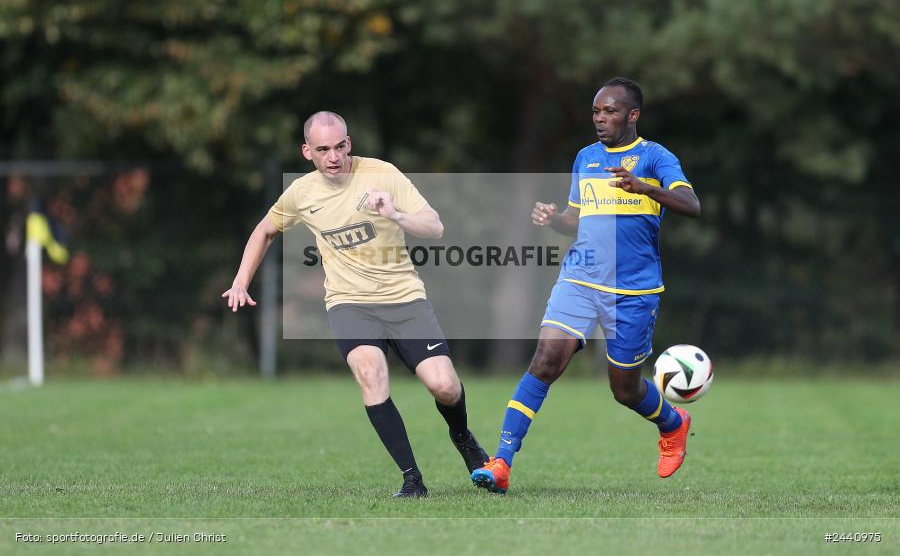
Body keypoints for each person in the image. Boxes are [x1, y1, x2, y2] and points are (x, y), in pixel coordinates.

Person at [223, 111, 487, 498]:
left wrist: (395, 214)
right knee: (370, 374)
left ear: (350, 143)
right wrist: (240, 281)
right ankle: (412, 479)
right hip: (349, 304)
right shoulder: (301, 193)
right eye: (323, 149)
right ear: (307, 151)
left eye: (340, 146)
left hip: (404, 299)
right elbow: (264, 231)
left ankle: (463, 438)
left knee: (445, 386)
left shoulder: (382, 174)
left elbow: (435, 227)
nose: (333, 156)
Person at [471, 77, 701, 493]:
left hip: (633, 292)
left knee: (625, 389)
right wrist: (554, 218)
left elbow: (692, 205)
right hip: (580, 278)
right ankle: (501, 462)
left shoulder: (656, 158)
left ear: (632, 115)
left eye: (610, 111)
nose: (600, 119)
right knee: (545, 360)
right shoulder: (586, 158)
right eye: (596, 111)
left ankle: (673, 422)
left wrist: (645, 187)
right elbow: (577, 221)